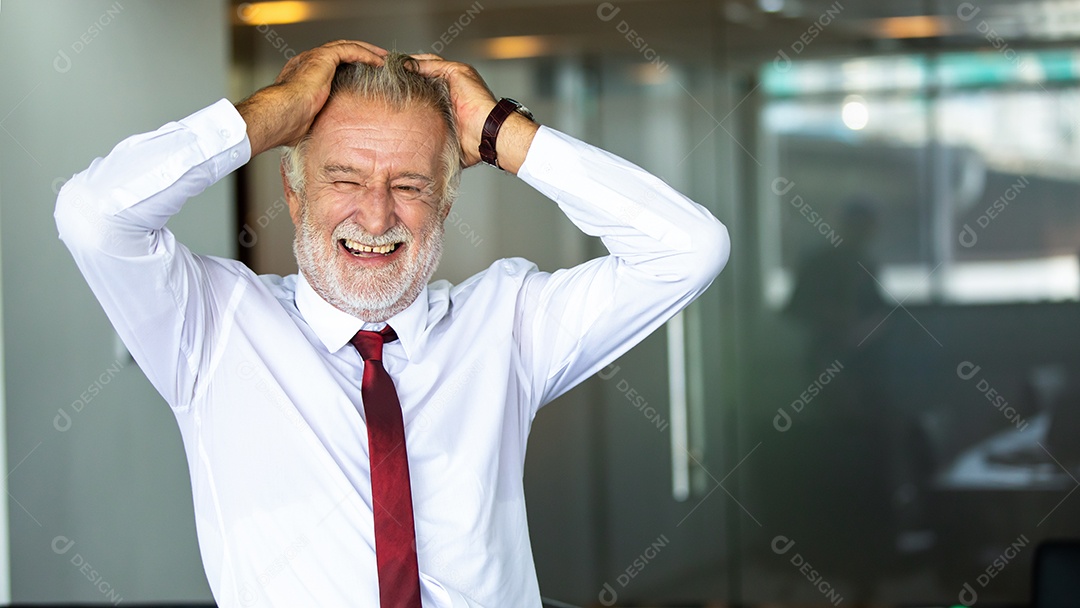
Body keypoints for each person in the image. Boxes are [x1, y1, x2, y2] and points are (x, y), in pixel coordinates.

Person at [55, 40, 729, 607]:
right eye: (344, 179)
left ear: (444, 201)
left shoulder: (508, 324)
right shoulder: (210, 325)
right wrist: (266, 116)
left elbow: (689, 249)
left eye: (409, 185)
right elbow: (93, 215)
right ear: (293, 193)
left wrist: (501, 132)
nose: (376, 218)